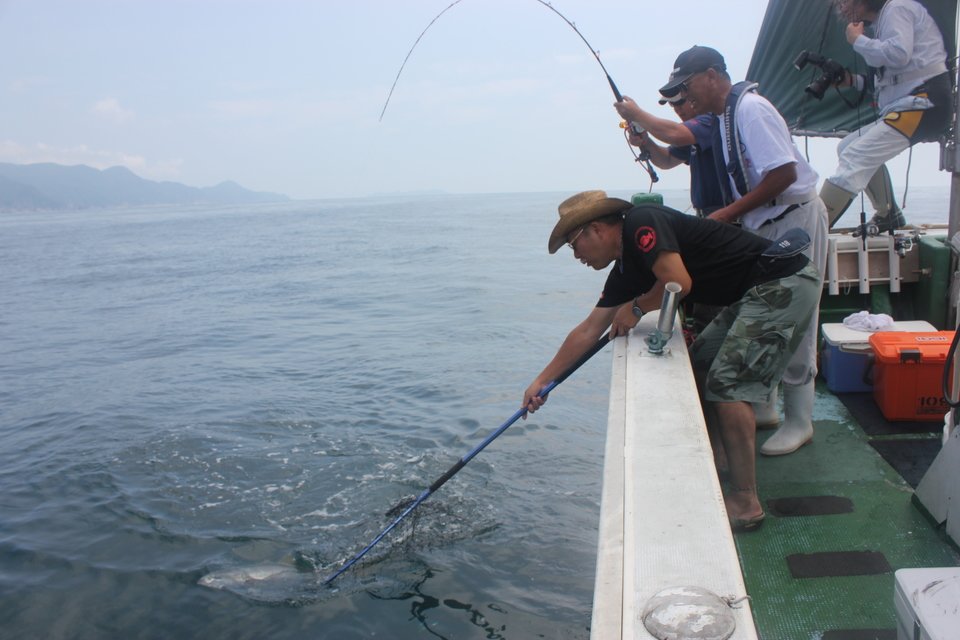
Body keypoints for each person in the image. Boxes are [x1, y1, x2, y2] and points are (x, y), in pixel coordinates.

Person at [522, 191, 821, 529]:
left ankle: (745, 500)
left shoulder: (641, 223)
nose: (575, 255)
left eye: (573, 244)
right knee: (702, 362)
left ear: (595, 229)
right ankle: (721, 462)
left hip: (782, 283)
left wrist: (636, 308)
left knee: (727, 383)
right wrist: (541, 383)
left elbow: (679, 282)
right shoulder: (625, 269)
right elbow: (589, 330)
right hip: (756, 292)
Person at [659, 45, 829, 456]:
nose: (684, 97)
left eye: (687, 86)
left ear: (714, 75)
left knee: (796, 317)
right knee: (764, 312)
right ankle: (767, 407)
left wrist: (723, 216)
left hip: (792, 221)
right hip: (762, 225)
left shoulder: (750, 109)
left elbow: (783, 172)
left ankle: (799, 420)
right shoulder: (722, 117)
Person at [820, 0, 950, 233]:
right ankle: (888, 213)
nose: (840, 7)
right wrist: (850, 80)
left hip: (924, 104)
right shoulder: (882, 22)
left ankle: (810, 233)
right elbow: (892, 79)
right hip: (909, 104)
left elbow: (898, 54)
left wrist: (858, 41)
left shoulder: (897, 8)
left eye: (843, 1)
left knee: (854, 156)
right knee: (847, 146)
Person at [614, 93, 725, 217]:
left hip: (724, 214)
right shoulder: (692, 136)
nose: (677, 109)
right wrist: (646, 140)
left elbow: (674, 134)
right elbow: (666, 160)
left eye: (679, 102)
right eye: (672, 104)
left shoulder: (711, 120)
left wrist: (637, 115)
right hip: (705, 216)